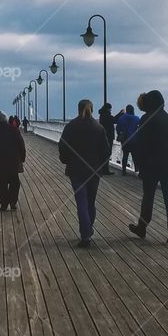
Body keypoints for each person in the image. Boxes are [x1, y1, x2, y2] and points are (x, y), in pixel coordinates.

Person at [129, 89, 168, 245]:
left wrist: (139, 163)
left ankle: (142, 227)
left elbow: (139, 145)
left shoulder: (145, 119)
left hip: (150, 167)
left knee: (148, 197)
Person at [59, 99, 111, 247]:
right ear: (92, 109)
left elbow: (63, 146)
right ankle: (88, 228)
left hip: (76, 170)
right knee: (90, 202)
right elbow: (106, 151)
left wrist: (66, 160)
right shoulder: (99, 128)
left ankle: (85, 235)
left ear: (78, 109)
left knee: (81, 201)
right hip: (94, 170)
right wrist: (100, 165)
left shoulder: (70, 127)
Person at [0, 111, 26, 211]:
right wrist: (22, 157)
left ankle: (4, 203)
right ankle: (13, 202)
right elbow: (21, 145)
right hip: (14, 162)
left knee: (1, 184)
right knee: (15, 183)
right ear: (6, 120)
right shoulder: (14, 130)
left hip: (0, 163)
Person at [116, 103, 141, 176]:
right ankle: (137, 169)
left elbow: (118, 128)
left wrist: (120, 134)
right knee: (135, 156)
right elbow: (139, 129)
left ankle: (124, 171)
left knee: (125, 155)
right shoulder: (136, 118)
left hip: (125, 140)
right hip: (134, 140)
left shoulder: (121, 118)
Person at [98, 102, 123, 175]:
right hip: (108, 136)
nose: (111, 110)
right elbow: (114, 120)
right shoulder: (106, 115)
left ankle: (102, 169)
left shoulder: (102, 115)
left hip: (103, 136)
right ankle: (105, 170)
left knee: (104, 153)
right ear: (108, 109)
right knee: (107, 153)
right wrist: (120, 113)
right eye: (110, 109)